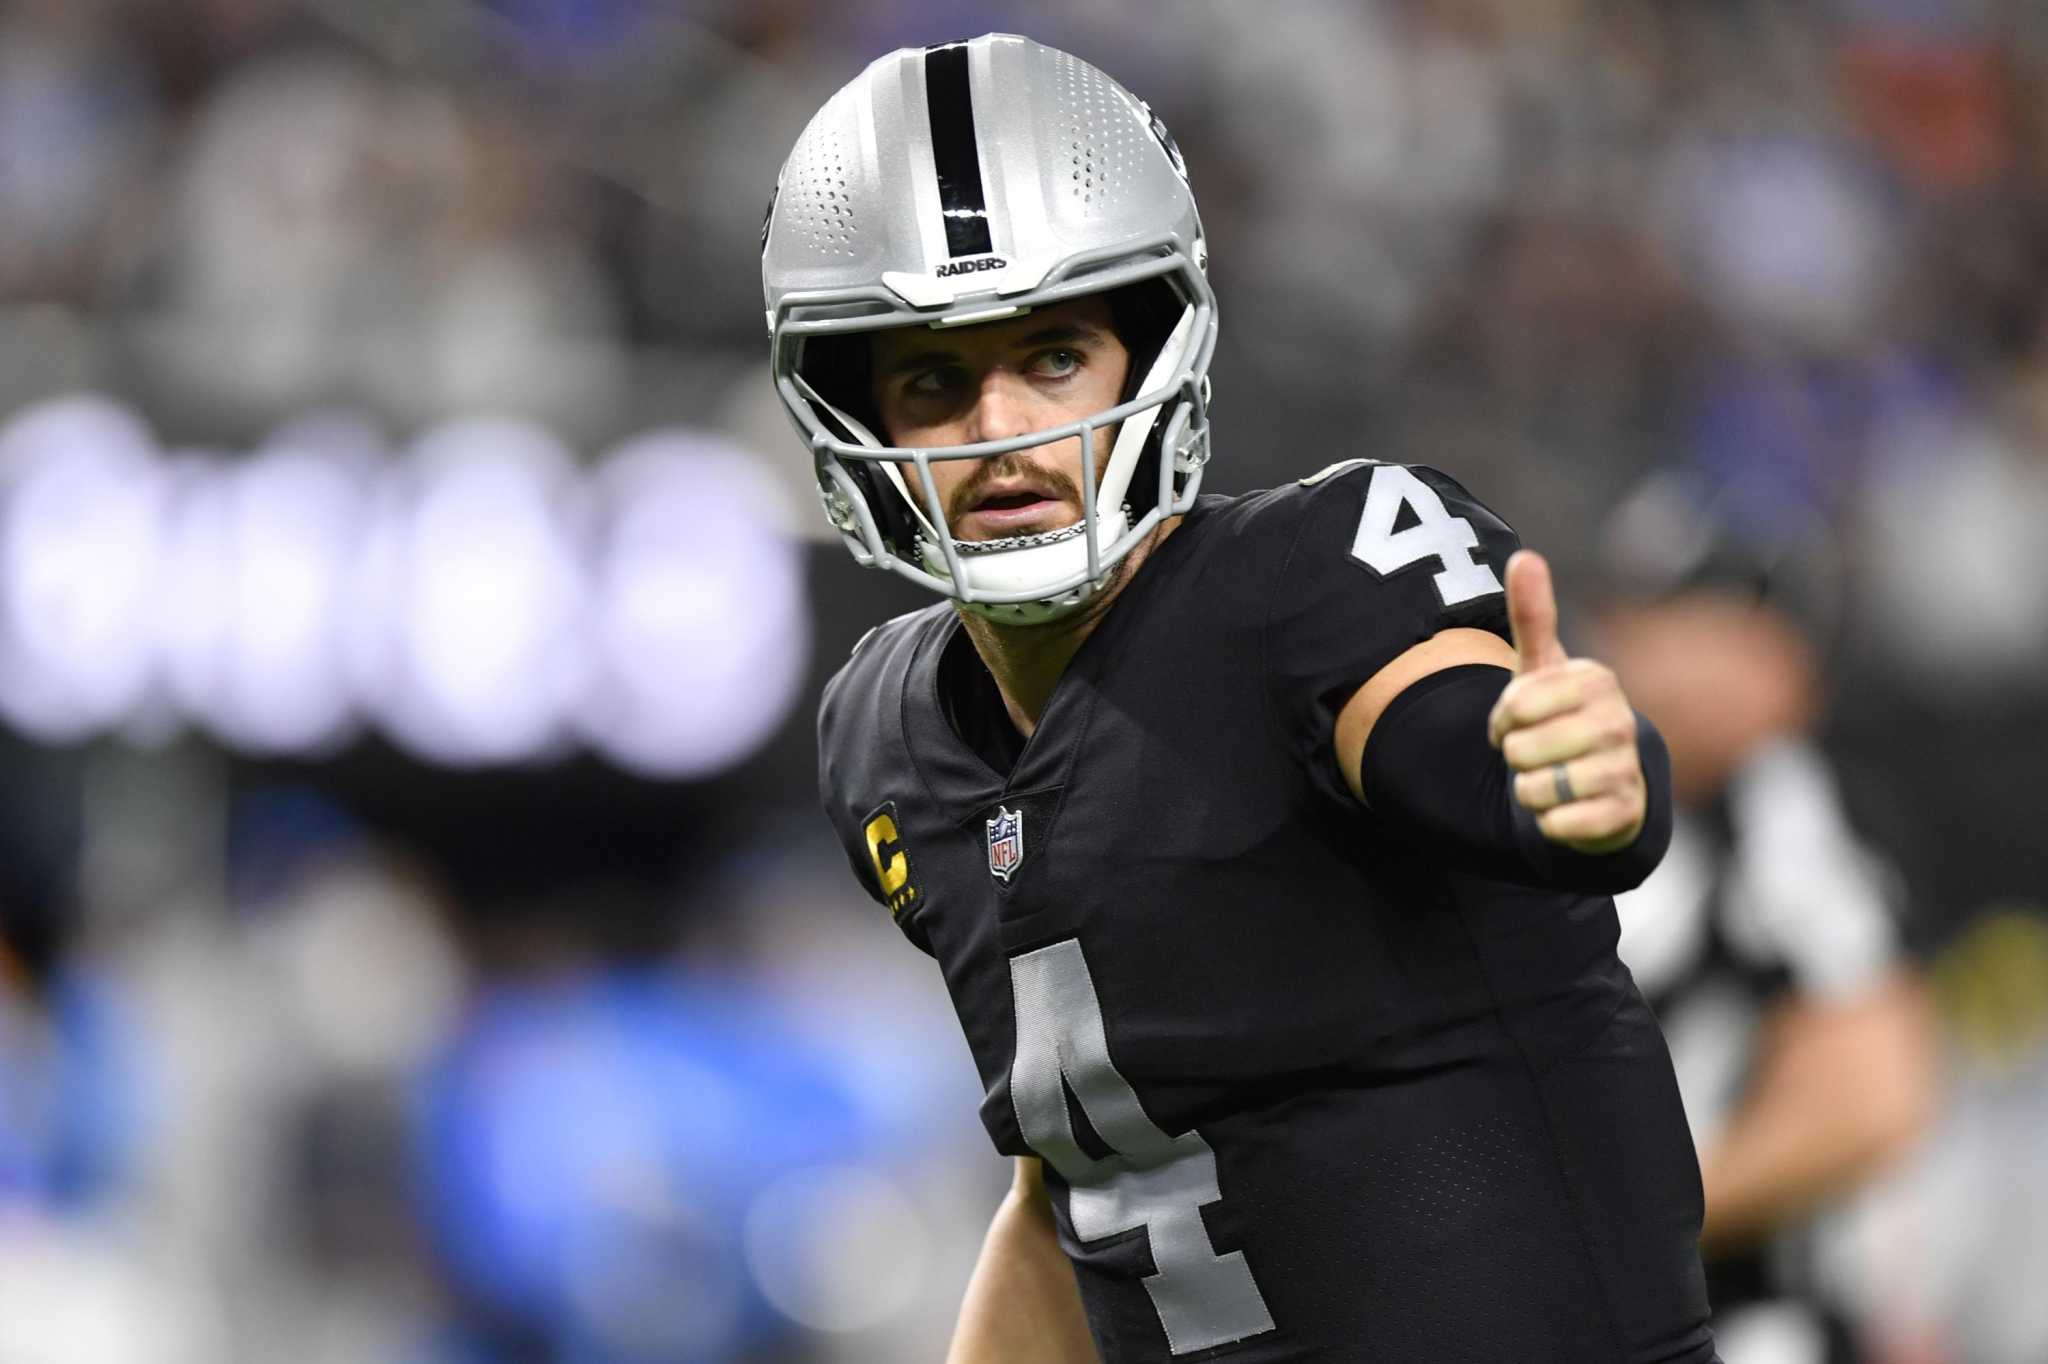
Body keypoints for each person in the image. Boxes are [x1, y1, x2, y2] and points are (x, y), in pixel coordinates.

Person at [766, 35, 1718, 1363]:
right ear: (848, 412)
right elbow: (1076, 1189)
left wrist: (1563, 777)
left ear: (1151, 353)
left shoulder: (1316, 574)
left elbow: (1455, 728)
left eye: (1051, 357)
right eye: (933, 379)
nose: (999, 429)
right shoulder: (887, 737)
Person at [1597, 478, 1936, 1364]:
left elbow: (1869, 1097)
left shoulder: (1783, 811)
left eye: (1707, 620)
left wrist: (1615, 1217)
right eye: (1646, 613)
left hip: (1737, 1320)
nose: (1664, 652)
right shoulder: (1528, 799)